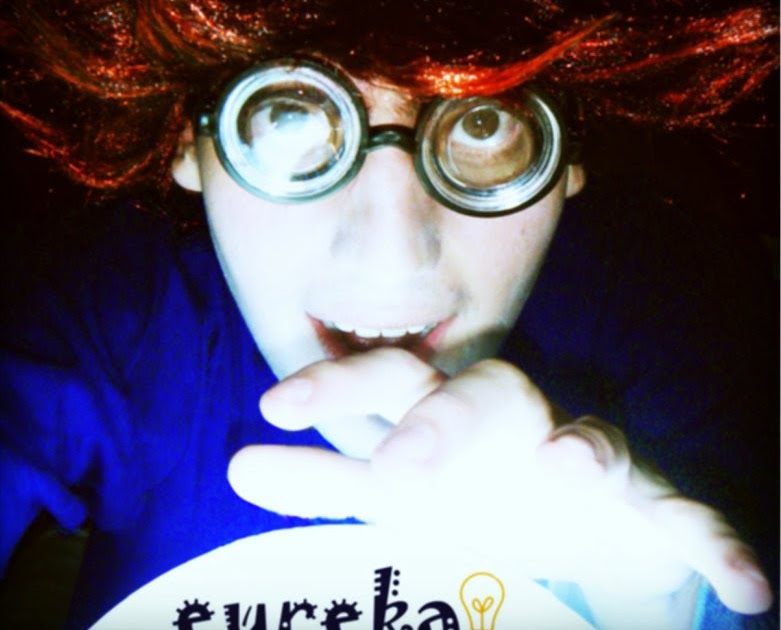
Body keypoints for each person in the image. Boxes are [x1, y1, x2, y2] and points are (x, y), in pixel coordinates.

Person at [0, 0, 778, 628]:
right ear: (187, 143)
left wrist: (682, 616)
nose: (392, 255)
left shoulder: (663, 304)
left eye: (481, 122)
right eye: (289, 116)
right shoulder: (117, 306)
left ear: (567, 155)